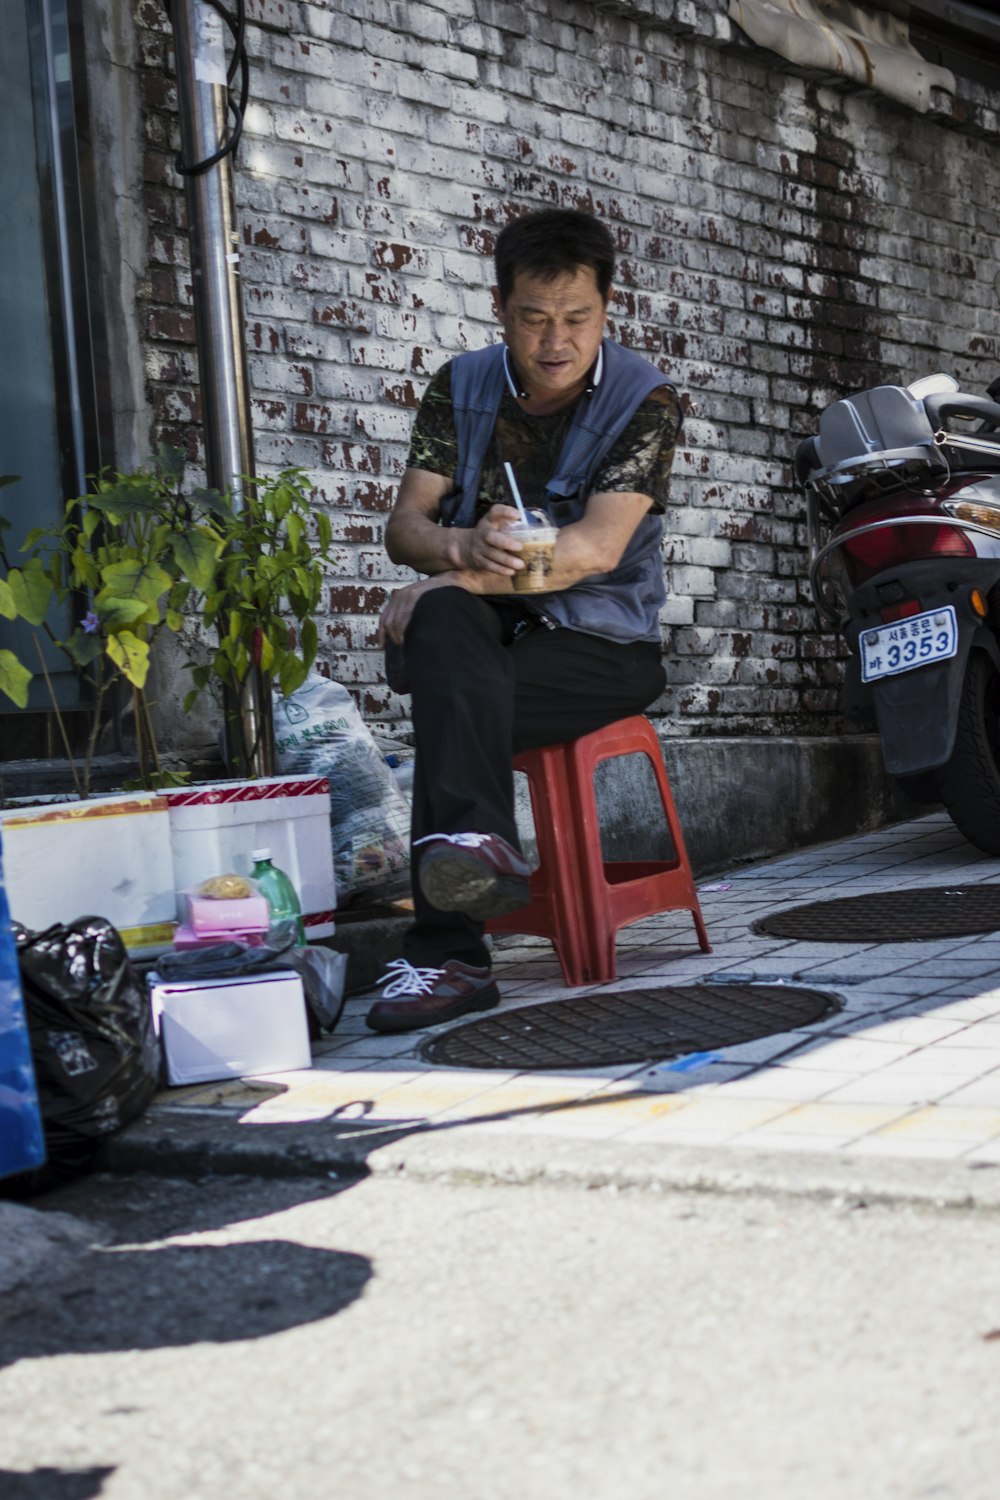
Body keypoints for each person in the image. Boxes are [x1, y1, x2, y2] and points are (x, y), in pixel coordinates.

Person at [366, 207, 682, 1033]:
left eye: (577, 319)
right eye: (535, 319)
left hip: (599, 648)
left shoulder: (644, 399)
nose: (556, 341)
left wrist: (457, 579)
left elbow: (594, 551)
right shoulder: (462, 386)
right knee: (446, 651)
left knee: (448, 681)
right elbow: (406, 530)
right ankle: (474, 861)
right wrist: (461, 541)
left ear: (605, 311)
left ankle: (450, 958)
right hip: (492, 645)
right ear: (501, 309)